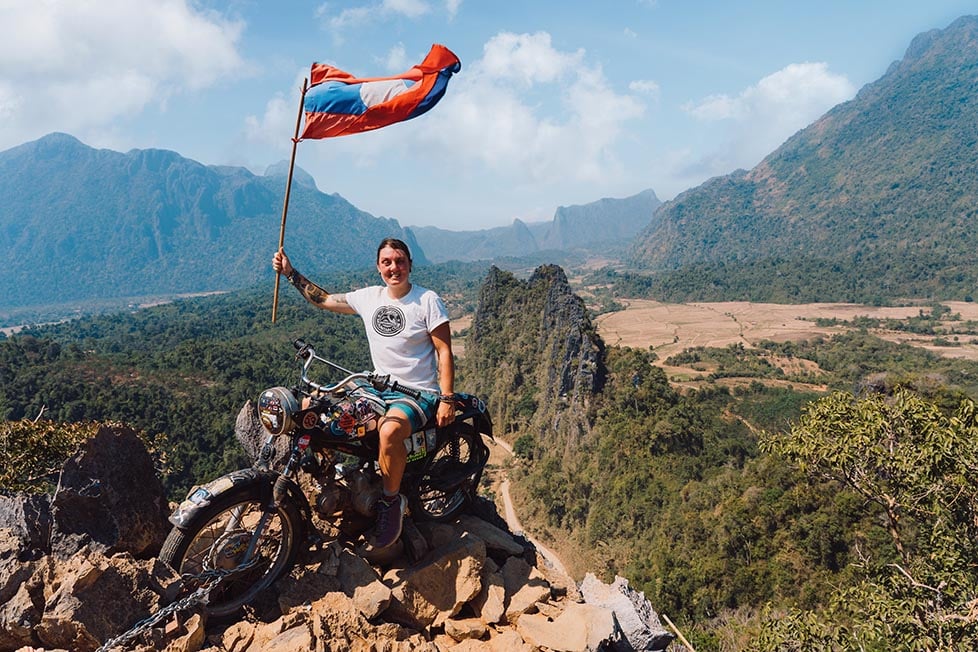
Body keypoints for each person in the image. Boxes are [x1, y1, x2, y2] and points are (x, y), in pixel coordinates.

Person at [272, 238, 455, 549]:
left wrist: (447, 399)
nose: (393, 267)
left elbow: (444, 350)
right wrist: (291, 273)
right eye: (387, 262)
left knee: (389, 432)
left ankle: (390, 502)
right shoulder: (369, 297)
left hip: (416, 393)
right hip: (375, 387)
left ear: (409, 264)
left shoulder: (427, 300)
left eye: (399, 261)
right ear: (379, 267)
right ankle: (333, 477)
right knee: (316, 411)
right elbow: (324, 299)